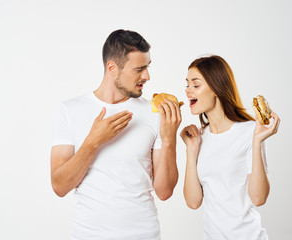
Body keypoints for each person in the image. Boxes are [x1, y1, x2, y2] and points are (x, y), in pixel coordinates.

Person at [50, 29, 181, 240]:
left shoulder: (154, 113)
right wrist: (93, 141)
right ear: (112, 68)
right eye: (139, 69)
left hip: (144, 235)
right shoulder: (70, 110)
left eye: (147, 67)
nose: (147, 76)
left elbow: (164, 192)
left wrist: (169, 138)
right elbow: (59, 186)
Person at [180, 55, 280, 240]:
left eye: (195, 85)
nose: (188, 90)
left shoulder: (250, 132)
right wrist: (191, 150)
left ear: (216, 88)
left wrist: (257, 142)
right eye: (187, 84)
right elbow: (193, 202)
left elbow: (259, 198)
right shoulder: (200, 137)